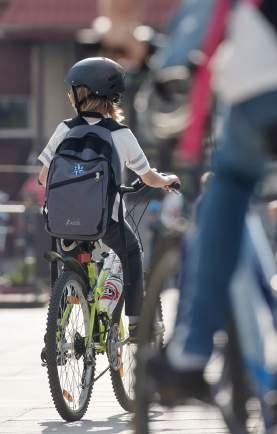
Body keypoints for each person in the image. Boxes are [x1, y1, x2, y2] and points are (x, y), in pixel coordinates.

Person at [145, 0, 277, 402]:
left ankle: (192, 354)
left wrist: (156, 58)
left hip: (271, 86)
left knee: (227, 189)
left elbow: (191, 36)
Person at [38, 57, 180, 341]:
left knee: (69, 261)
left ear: (82, 95)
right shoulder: (120, 134)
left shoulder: (65, 129)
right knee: (132, 254)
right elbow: (148, 176)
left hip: (61, 221)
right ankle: (139, 324)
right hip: (107, 222)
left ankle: (58, 330)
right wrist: (166, 181)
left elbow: (44, 176)